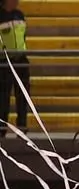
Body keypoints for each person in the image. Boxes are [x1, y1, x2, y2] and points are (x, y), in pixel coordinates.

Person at [0, 0, 29, 138]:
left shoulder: (20, 15)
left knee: (22, 97)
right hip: (4, 62)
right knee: (3, 98)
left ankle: (22, 127)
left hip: (21, 61)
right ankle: (1, 130)